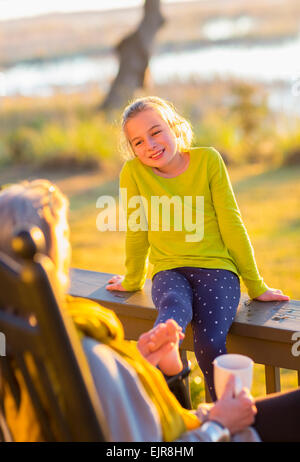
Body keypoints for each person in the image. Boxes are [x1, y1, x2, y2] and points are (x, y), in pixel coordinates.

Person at [0, 179, 299, 443]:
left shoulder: (16, 343)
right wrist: (220, 422)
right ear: (55, 254)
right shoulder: (85, 357)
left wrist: (146, 368)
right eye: (65, 235)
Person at [106, 96, 289, 401]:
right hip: (168, 268)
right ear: (131, 149)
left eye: (155, 132)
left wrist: (256, 286)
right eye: (137, 142)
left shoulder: (208, 161)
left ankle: (221, 416)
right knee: (172, 309)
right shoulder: (133, 173)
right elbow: (137, 232)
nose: (149, 145)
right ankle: (173, 391)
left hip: (217, 269)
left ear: (175, 127)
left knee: (209, 344)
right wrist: (133, 279)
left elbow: (232, 225)